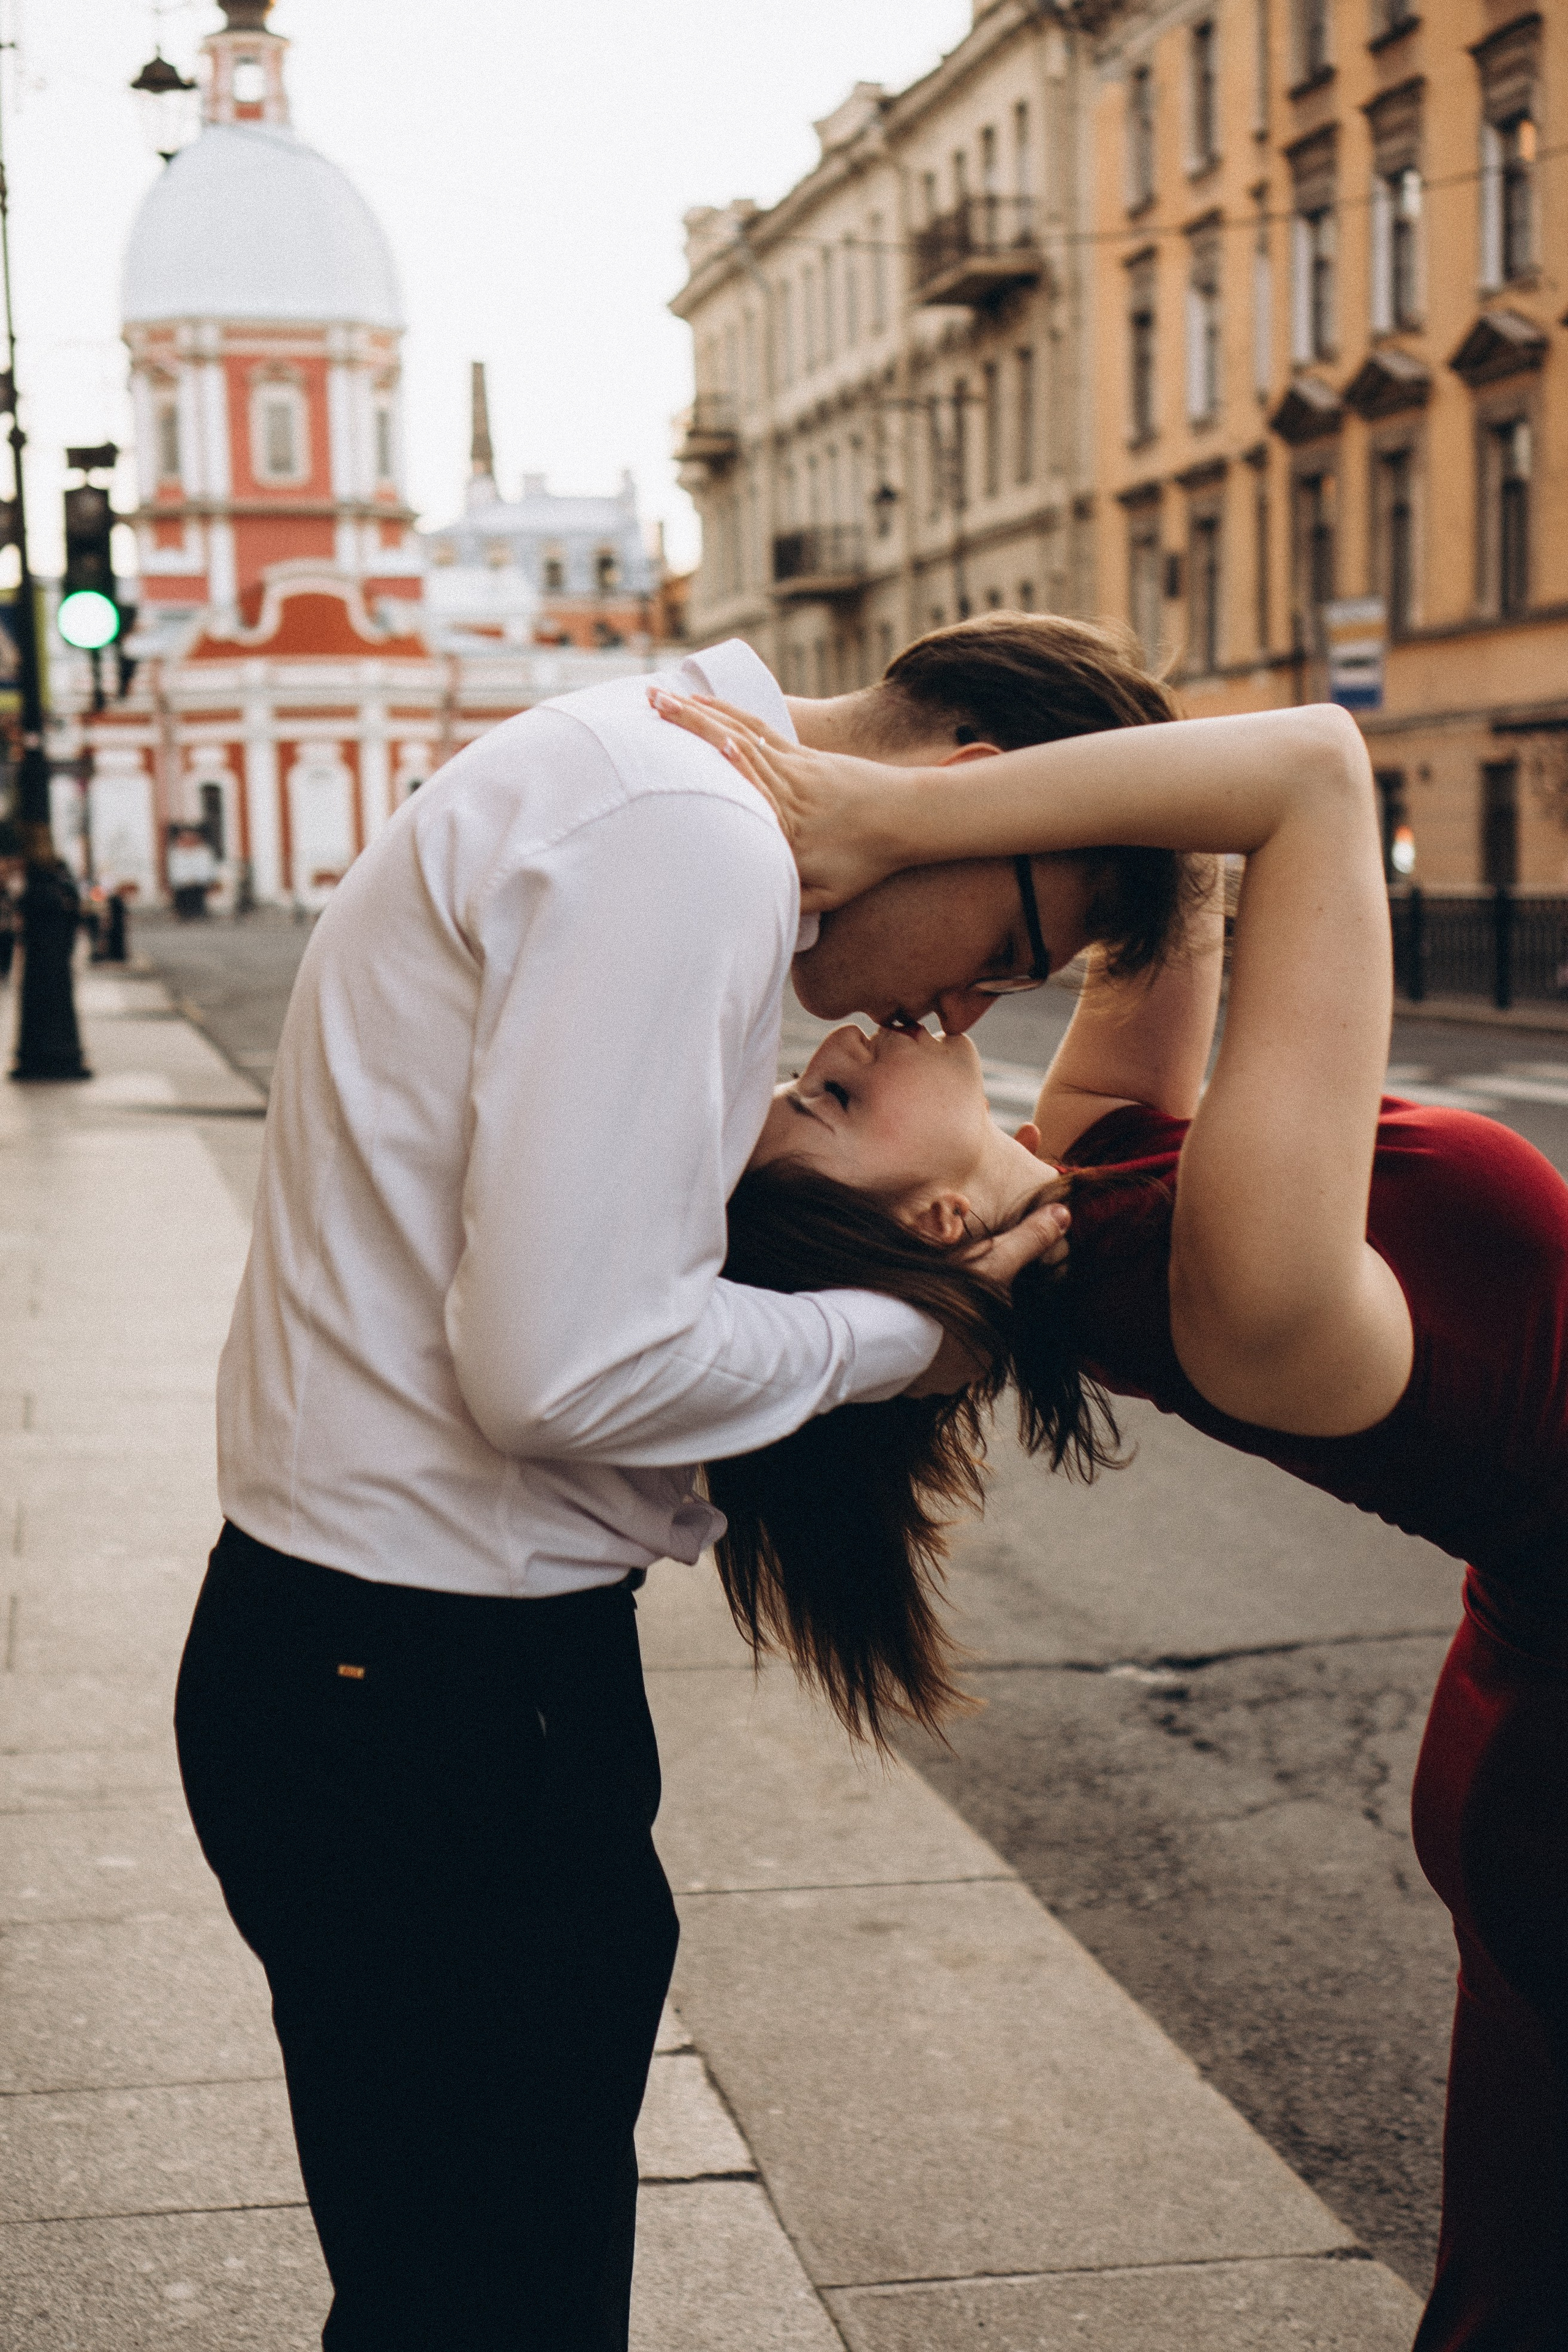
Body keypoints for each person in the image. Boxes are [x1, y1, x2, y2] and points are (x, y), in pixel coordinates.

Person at [174, 620, 1183, 2352]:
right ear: (962, 793)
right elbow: (564, 1368)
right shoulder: (687, 833)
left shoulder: (636, 772)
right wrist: (908, 1339)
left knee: (443, 2286)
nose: (954, 1010)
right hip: (432, 1695)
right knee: (496, 2304)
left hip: (370, 1665)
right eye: (1010, 954)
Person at [653, 631, 1568, 2351]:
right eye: (831, 1096)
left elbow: (1191, 871)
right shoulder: (1236, 1295)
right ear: (933, 1226)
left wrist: (993, 857)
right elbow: (1310, 778)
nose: (849, 1036)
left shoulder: (1092, 1174)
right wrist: (881, 815)